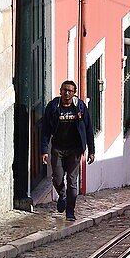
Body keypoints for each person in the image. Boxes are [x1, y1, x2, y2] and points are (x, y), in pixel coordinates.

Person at [40, 80, 95, 221]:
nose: (66, 93)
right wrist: (44, 150)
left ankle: (70, 212)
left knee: (72, 181)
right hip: (57, 148)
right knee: (57, 178)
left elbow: (88, 128)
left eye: (70, 91)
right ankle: (62, 195)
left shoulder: (80, 107)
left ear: (74, 93)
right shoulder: (53, 106)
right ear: (60, 91)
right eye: (64, 90)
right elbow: (45, 129)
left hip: (75, 150)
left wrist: (91, 150)